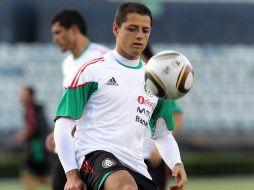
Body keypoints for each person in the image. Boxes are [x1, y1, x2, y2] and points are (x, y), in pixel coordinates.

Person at [54, 2, 187, 190]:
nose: (139, 36)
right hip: (94, 156)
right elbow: (62, 126)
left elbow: (162, 134)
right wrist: (71, 174)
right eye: (132, 29)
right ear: (116, 28)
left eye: (145, 30)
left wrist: (176, 163)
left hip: (136, 165)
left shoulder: (156, 82)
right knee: (126, 187)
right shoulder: (92, 71)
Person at [44, 9, 109, 190]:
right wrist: (60, 131)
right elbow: (72, 107)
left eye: (58, 32)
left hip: (95, 148)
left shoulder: (102, 57)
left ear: (73, 29)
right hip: (69, 148)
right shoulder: (67, 63)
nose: (54, 39)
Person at [142, 44, 184, 190]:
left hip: (152, 157)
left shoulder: (159, 86)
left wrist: (159, 149)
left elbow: (176, 118)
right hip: (126, 157)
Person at [15, 86, 50, 190]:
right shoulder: (33, 109)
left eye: (23, 95)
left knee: (29, 174)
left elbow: (35, 127)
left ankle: (60, 185)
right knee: (32, 175)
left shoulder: (32, 109)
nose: (21, 97)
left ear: (30, 96)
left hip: (36, 146)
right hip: (37, 145)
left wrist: (24, 135)